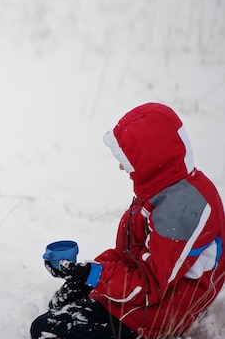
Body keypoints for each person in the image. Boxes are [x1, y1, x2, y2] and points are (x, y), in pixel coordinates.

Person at [30, 102, 225, 339]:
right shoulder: (163, 188)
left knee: (46, 330)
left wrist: (96, 276)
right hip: (148, 297)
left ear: (150, 157)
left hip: (159, 313)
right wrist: (85, 272)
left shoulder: (181, 210)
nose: (121, 166)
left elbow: (150, 287)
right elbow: (132, 256)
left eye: (127, 158)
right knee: (59, 305)